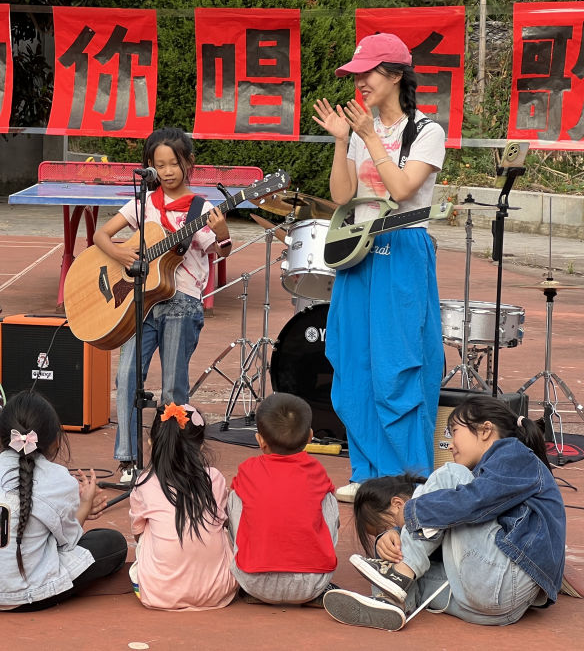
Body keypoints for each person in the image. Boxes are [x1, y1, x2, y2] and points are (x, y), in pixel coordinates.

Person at [312, 32, 446, 501]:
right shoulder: (361, 131)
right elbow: (343, 197)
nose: (359, 84)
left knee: (399, 363)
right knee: (351, 361)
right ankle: (366, 470)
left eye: (366, 74)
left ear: (393, 74)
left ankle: (406, 474)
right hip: (357, 252)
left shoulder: (426, 131)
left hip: (402, 250)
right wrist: (344, 141)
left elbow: (404, 189)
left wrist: (369, 137)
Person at [324, 396, 566, 631]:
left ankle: (400, 575)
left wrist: (410, 512)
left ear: (485, 430)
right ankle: (390, 602)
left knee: (451, 474)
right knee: (400, 564)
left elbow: (472, 503)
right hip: (496, 608)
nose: (449, 443)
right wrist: (392, 537)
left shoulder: (514, 454)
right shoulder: (495, 473)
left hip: (502, 582)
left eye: (454, 432)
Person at [94, 128, 231, 481]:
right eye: (160, 165)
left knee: (172, 386)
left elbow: (221, 250)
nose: (168, 171)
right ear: (150, 167)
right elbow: (100, 235)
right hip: (140, 302)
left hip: (181, 302)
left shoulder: (201, 208)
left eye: (174, 163)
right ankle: (128, 458)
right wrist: (122, 253)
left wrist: (224, 231)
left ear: (189, 163)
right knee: (126, 377)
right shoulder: (144, 203)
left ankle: (172, 459)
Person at [0, 390, 127, 610]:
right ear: (55, 440)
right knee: (111, 542)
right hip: (25, 596)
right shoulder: (59, 477)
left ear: (3, 438)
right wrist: (84, 506)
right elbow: (68, 543)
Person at [228, 393, 338, 606]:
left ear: (260, 440)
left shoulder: (248, 470)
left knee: (236, 495)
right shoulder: (317, 471)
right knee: (326, 497)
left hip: (252, 582)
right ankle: (314, 572)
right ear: (310, 437)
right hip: (313, 583)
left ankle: (251, 568)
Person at [129, 401, 237, 610]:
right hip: (220, 591)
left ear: (152, 442)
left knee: (147, 532)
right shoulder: (214, 478)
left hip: (158, 594)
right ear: (202, 445)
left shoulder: (144, 482)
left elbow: (137, 534)